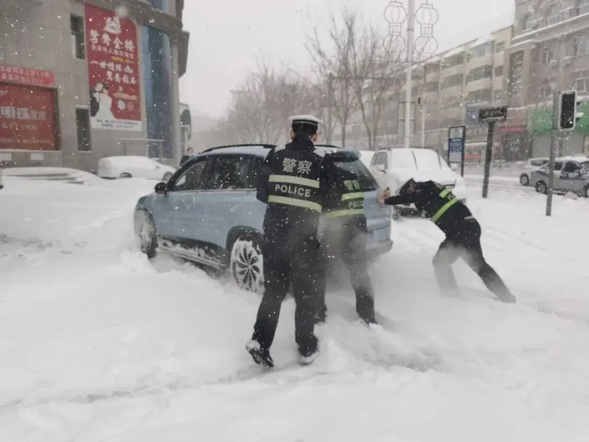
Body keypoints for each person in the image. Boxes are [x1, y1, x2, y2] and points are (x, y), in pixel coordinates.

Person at [246, 115, 330, 368]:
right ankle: (306, 346)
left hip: (274, 236)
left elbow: (262, 192)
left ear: (291, 133)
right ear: (315, 136)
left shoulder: (276, 155)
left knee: (273, 291)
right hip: (304, 240)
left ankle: (260, 341)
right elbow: (332, 199)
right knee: (306, 295)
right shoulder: (321, 161)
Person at [378, 179, 516, 303]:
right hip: (470, 226)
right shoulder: (432, 190)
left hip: (460, 231)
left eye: (409, 194)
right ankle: (506, 297)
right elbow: (418, 202)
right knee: (479, 265)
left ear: (412, 187)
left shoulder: (425, 188)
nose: (411, 201)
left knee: (440, 262)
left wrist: (386, 200)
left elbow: (415, 196)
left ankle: (450, 296)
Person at [316, 154, 377, 325]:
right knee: (359, 271)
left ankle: (318, 313)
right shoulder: (351, 176)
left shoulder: (326, 179)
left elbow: (323, 203)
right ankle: (367, 315)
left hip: (336, 230)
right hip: (358, 229)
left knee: (318, 269)